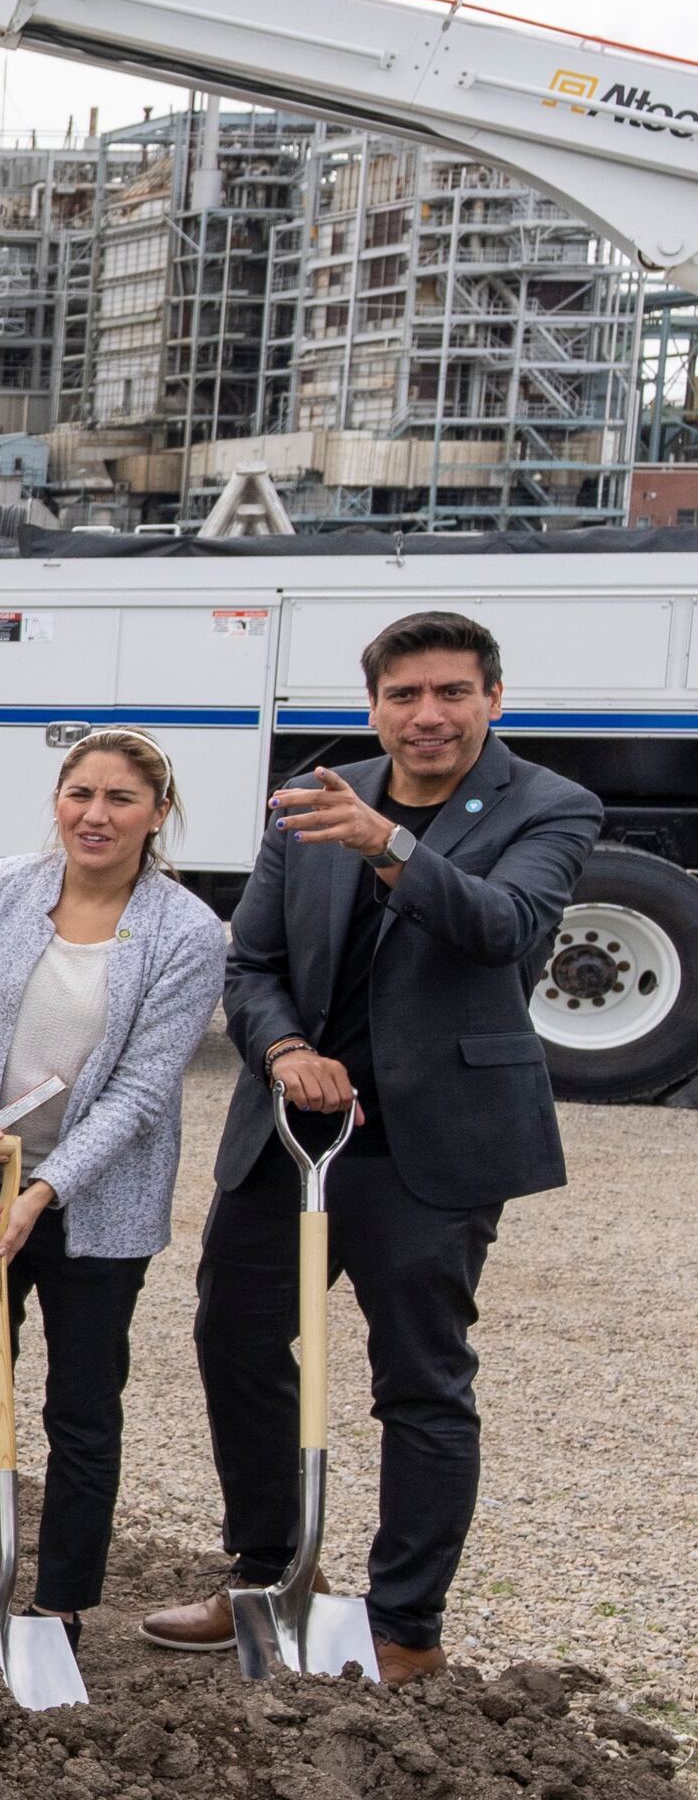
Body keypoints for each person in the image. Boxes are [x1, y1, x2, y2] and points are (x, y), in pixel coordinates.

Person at [141, 613, 602, 1681]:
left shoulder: (547, 804)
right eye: (402, 695)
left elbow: (507, 926)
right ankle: (263, 1574)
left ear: (492, 697)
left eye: (449, 692)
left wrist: (387, 843)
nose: (425, 714)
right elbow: (248, 962)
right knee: (237, 1342)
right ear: (372, 705)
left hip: (427, 1143)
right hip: (295, 1130)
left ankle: (404, 1627)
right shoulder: (314, 793)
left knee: (419, 1379)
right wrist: (285, 1046)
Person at [0, 729, 223, 1651]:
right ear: (57, 800)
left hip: (97, 1203)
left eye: (122, 799)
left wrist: (43, 1190)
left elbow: (140, 1089)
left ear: (157, 815)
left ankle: (61, 1605)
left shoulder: (185, 932)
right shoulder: (4, 891)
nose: (96, 814)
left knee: (81, 1405)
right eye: (80, 793)